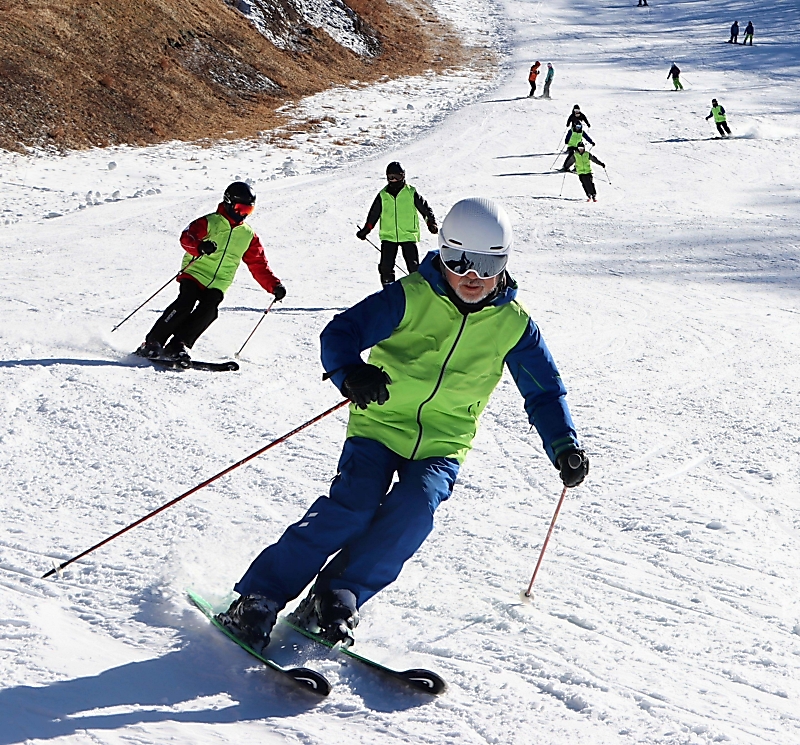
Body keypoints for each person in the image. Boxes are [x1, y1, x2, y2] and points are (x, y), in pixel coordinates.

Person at [217, 198, 589, 652]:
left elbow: (544, 391)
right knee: (351, 507)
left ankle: (338, 594)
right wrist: (351, 373)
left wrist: (563, 443)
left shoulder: (514, 325)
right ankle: (259, 598)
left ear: (505, 262)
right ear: (442, 253)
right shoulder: (410, 295)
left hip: (443, 443)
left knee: (414, 512)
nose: (472, 276)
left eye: (487, 263)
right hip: (379, 425)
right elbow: (341, 333)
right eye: (459, 260)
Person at [136, 182, 285, 362]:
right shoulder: (209, 222)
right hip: (195, 272)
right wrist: (199, 246)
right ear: (228, 203)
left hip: (219, 282)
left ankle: (179, 344)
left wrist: (273, 285)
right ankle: (153, 342)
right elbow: (186, 237)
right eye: (240, 209)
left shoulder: (248, 235)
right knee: (185, 302)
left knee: (209, 311)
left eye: (248, 211)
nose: (242, 215)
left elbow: (258, 263)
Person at [356, 162, 438, 287]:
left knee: (413, 265)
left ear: (403, 176)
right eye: (390, 177)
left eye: (397, 177)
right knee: (385, 266)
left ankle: (417, 289)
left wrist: (431, 223)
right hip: (389, 236)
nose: (393, 180)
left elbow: (425, 209)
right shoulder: (383, 195)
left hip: (408, 235)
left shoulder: (411, 192)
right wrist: (366, 230)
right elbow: (374, 214)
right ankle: (388, 288)